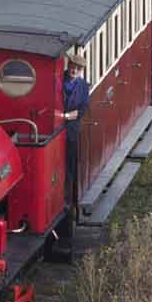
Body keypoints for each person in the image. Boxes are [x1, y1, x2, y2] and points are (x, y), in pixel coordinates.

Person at [61, 56, 90, 210]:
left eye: (78, 69)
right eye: (72, 67)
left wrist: (64, 116)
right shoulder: (58, 80)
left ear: (81, 71)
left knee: (69, 164)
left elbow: (81, 111)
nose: (74, 70)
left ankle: (67, 199)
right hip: (56, 126)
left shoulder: (83, 86)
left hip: (71, 129)